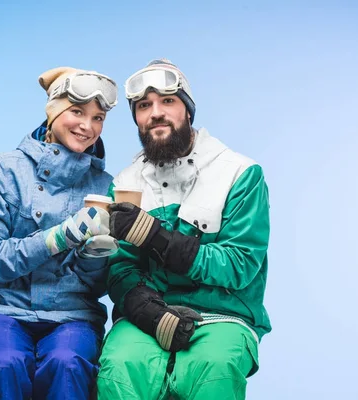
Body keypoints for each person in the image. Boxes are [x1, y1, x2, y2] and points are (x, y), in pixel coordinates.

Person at [97, 59, 272, 400]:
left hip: (223, 315)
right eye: (144, 106)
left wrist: (157, 238)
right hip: (148, 318)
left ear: (188, 110)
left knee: (214, 367)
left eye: (168, 101)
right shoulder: (124, 184)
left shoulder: (240, 173)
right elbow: (120, 267)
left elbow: (240, 264)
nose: (155, 113)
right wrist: (148, 311)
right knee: (119, 366)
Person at [0, 66, 119, 400]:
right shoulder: (2, 171)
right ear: (53, 112)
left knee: (68, 363)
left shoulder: (105, 187)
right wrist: (56, 238)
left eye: (98, 118)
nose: (87, 126)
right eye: (77, 112)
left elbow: (98, 286)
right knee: (5, 362)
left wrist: (94, 258)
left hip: (72, 316)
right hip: (0, 308)